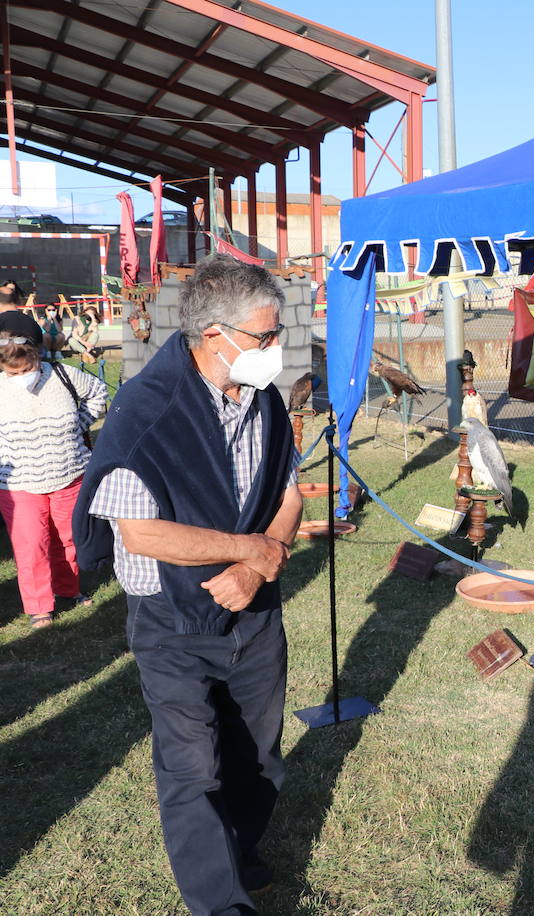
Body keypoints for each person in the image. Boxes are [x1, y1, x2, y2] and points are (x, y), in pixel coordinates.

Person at [74, 255, 301, 916]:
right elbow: (141, 533)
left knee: (257, 754)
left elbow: (286, 491)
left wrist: (260, 561)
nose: (276, 349)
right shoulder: (147, 412)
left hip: (253, 613)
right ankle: (219, 903)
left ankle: (242, 846)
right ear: (214, 338)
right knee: (191, 766)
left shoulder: (265, 400)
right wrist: (246, 549)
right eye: (264, 337)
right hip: (171, 618)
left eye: (276, 333)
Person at [0, 332, 105, 627]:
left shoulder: (63, 374)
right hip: (19, 482)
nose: (21, 376)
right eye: (13, 372)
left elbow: (98, 391)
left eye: (26, 369)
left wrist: (81, 424)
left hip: (69, 474)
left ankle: (68, 589)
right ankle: (38, 606)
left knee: (67, 539)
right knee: (30, 544)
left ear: (36, 357)